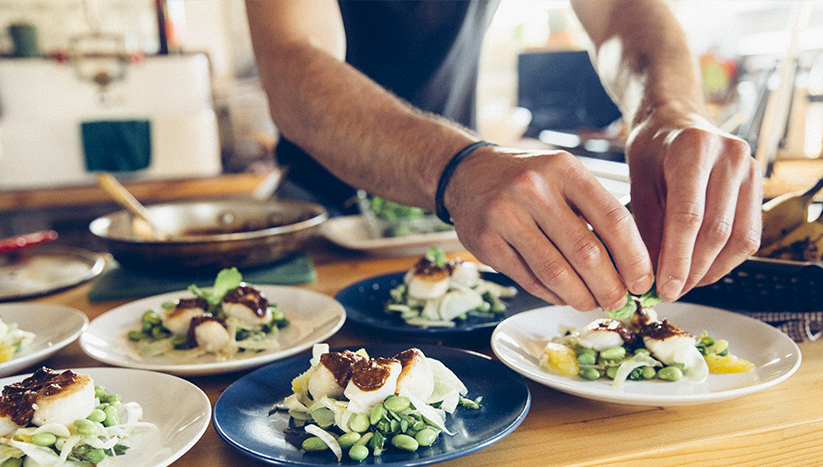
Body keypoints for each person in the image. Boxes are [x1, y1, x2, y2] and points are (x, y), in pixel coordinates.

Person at [244, 0, 762, 313]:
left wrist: (669, 112)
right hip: (318, 217)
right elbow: (293, 57)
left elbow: (622, 10)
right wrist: (458, 167)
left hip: (468, 217)